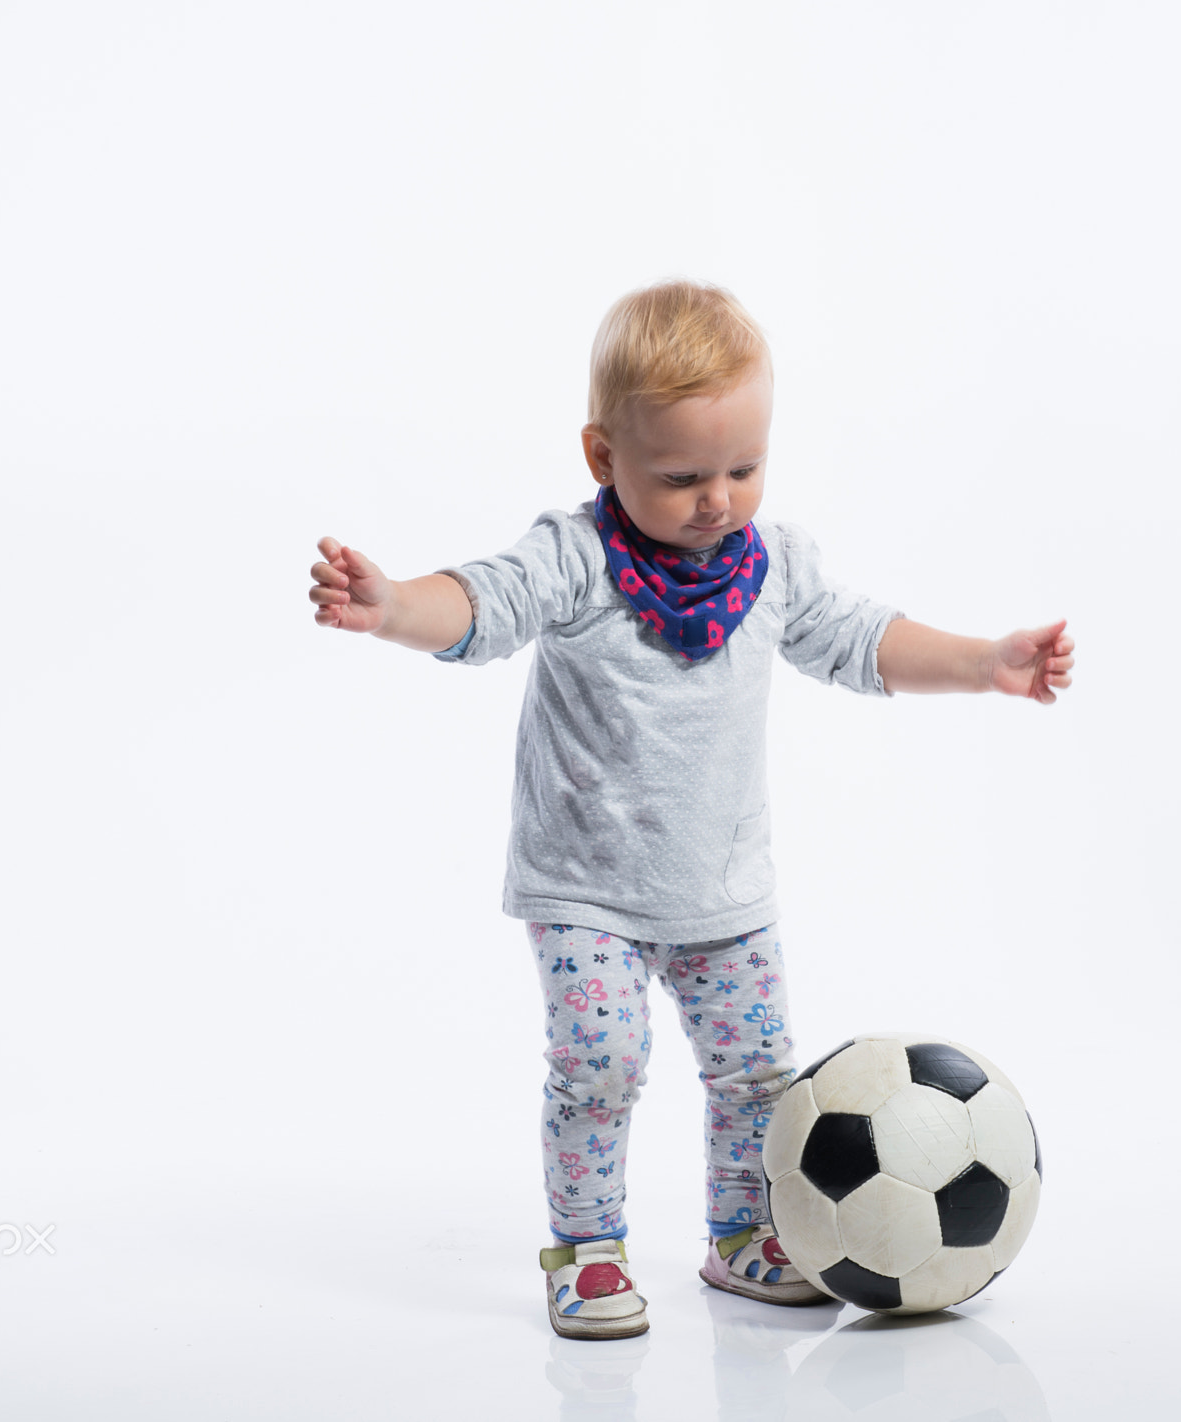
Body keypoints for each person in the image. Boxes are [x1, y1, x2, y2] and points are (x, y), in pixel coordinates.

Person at [306, 280, 1074, 1339]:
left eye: (742, 469)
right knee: (601, 1063)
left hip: (723, 891)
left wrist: (984, 660)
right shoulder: (575, 559)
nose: (715, 498)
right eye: (680, 477)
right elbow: (480, 604)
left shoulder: (771, 571)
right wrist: (393, 606)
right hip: (588, 892)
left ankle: (739, 1237)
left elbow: (863, 640)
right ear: (600, 458)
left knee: (756, 1080)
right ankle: (585, 1248)